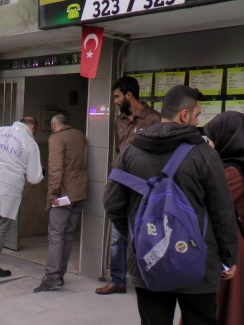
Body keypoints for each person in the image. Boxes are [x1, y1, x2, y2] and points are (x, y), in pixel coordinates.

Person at [104, 85, 239, 325]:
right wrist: (228, 258)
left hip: (148, 262)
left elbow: (112, 203)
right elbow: (222, 212)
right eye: (197, 115)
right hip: (199, 263)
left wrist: (140, 238)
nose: (198, 121)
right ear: (184, 115)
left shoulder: (129, 151)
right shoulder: (205, 156)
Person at [96, 76, 162, 295]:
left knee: (142, 234)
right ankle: (118, 280)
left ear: (129, 95)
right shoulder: (120, 120)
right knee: (117, 235)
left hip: (143, 186)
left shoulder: (154, 119)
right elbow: (119, 150)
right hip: (120, 182)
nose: (115, 101)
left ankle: (146, 279)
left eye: (117, 96)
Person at [0, 117, 44, 278]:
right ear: (32, 127)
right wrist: (42, 173)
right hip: (7, 187)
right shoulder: (30, 143)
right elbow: (34, 177)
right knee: (0, 227)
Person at [34, 115, 87, 292]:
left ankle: (51, 276)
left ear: (54, 125)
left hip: (64, 193)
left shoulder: (56, 138)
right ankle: (60, 274)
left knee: (56, 234)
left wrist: (52, 193)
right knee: (68, 234)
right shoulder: (80, 135)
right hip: (79, 191)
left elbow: (56, 168)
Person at [203, 111, 244, 325]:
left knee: (225, 303)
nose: (209, 145)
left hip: (230, 244)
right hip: (232, 242)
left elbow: (210, 203)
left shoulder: (233, 172)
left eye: (212, 139)